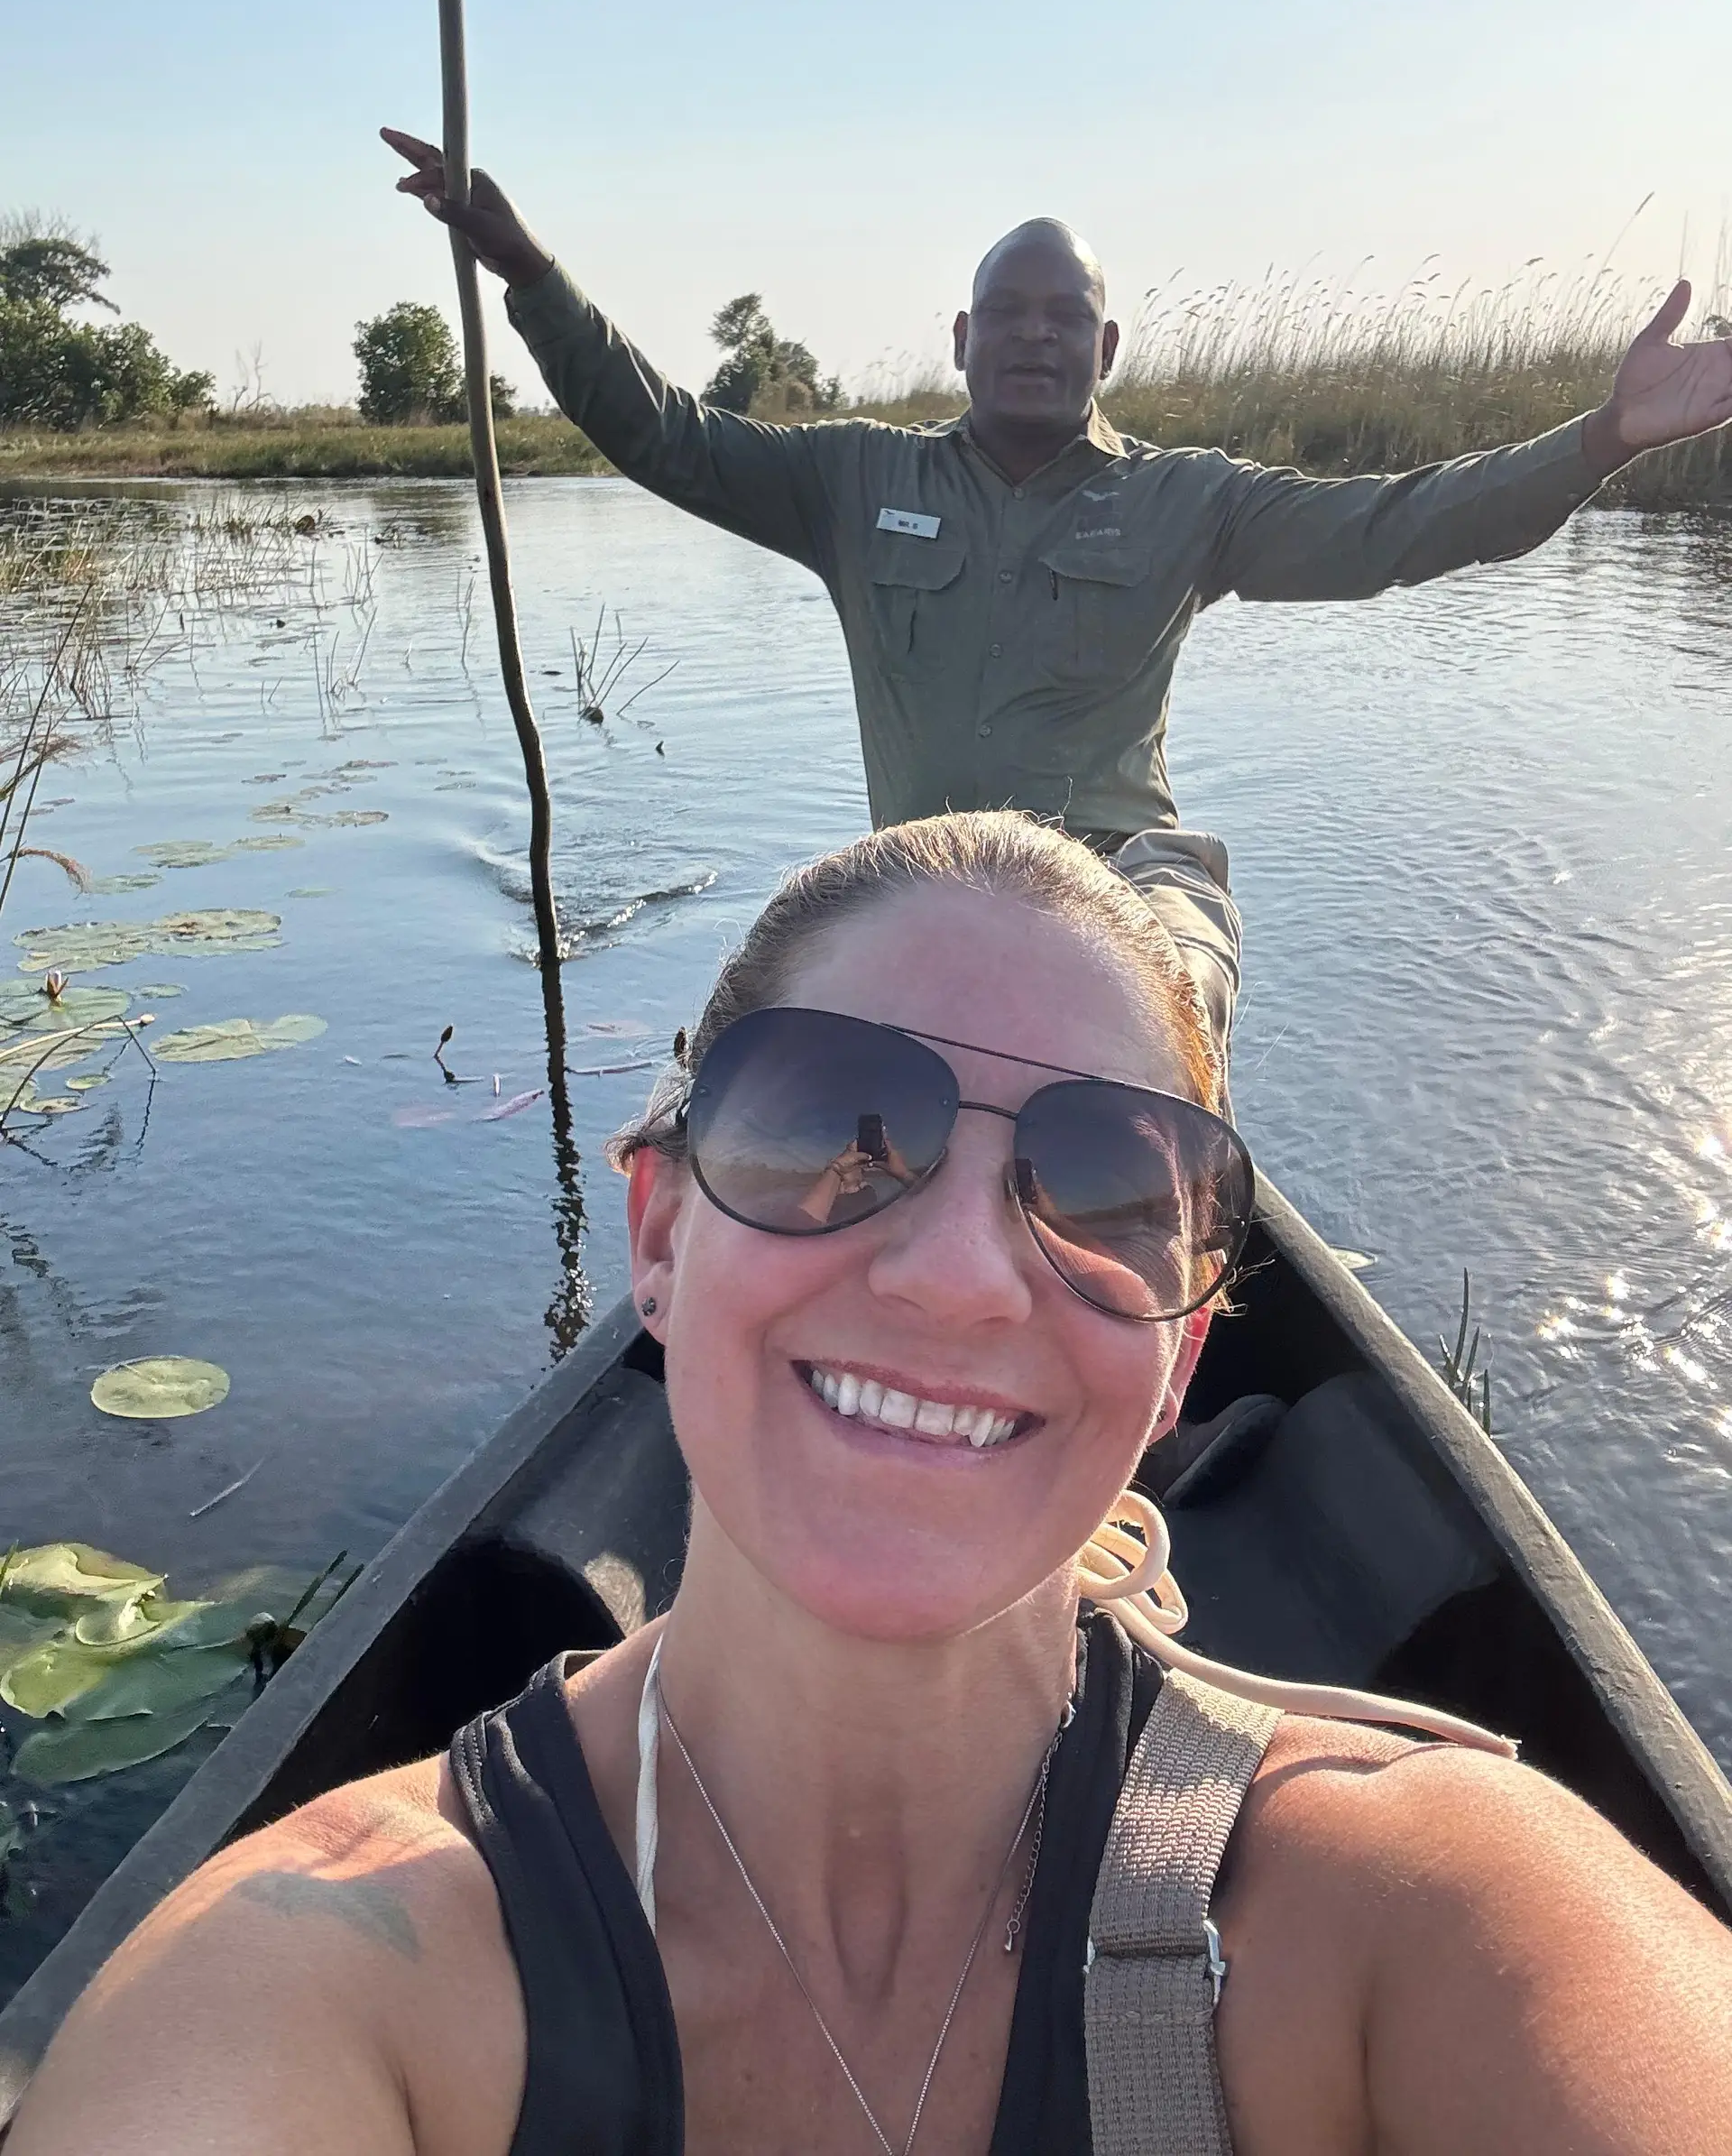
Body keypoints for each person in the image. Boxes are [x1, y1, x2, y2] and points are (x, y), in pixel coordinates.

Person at [13, 811, 1732, 2155]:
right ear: (663, 1236)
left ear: (1181, 1367)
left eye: (1104, 1182)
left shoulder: (1423, 1916)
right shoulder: (334, 1985)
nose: (962, 1279)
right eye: (838, 1121)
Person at [381, 126, 1732, 1074]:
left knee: (1164, 995)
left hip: (1120, 881)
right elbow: (666, 434)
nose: (1035, 332)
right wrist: (529, 273)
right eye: (1007, 312)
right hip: (923, 889)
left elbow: (1399, 527)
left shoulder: (1190, 500)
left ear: (1106, 346)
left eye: (1065, 314)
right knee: (749, 1064)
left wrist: (1603, 438)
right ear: (962, 339)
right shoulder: (850, 478)